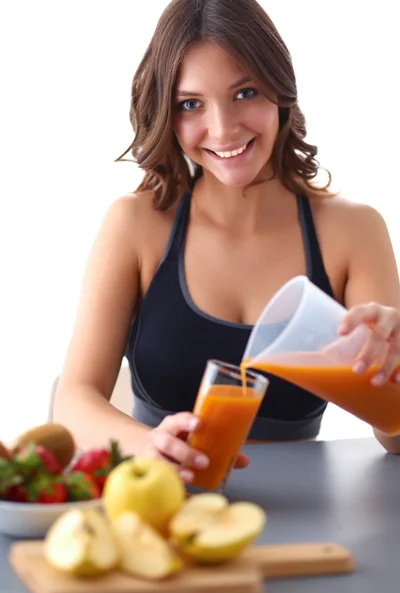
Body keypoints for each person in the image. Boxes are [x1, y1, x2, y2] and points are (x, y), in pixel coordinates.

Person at [54, 0, 400, 481]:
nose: (222, 128)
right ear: (167, 114)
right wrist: (146, 446)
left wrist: (397, 364)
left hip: (310, 521)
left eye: (245, 92)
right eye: (190, 104)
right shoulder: (136, 225)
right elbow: (72, 400)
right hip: (164, 508)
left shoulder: (353, 231)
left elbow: (395, 435)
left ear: (280, 89)